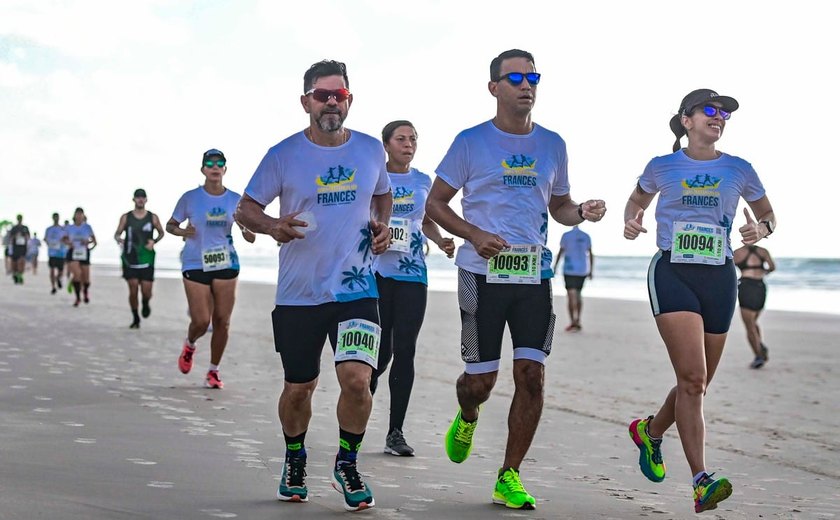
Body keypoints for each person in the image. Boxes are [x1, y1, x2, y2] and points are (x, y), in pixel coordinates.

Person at [425, 49, 607, 510]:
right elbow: (435, 203)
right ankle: (467, 414)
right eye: (516, 78)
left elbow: (560, 207)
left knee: (532, 376)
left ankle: (509, 475)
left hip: (533, 276)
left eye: (533, 77)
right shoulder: (471, 142)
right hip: (481, 274)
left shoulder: (553, 144)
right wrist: (473, 233)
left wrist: (580, 212)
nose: (527, 85)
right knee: (480, 383)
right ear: (494, 88)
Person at [235, 59, 392, 511]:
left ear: (349, 101)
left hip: (357, 287)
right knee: (299, 388)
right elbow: (246, 207)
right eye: (322, 95)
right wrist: (271, 226)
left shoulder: (368, 150)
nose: (331, 103)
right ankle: (294, 458)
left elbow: (382, 193)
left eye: (338, 96)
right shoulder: (283, 154)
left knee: (359, 380)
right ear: (306, 101)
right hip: (299, 293)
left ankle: (347, 463)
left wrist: (381, 222)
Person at [623, 89, 776, 513]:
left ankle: (650, 432)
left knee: (699, 382)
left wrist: (760, 232)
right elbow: (637, 200)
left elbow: (768, 215)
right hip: (673, 272)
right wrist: (630, 220)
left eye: (724, 112)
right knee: (692, 378)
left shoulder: (739, 169)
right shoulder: (662, 166)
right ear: (686, 120)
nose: (719, 116)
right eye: (710, 110)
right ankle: (700, 479)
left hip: (720, 277)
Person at [369, 120, 455, 457]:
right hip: (376, 274)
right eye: (401, 139)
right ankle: (357, 419)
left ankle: (395, 433)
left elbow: (427, 220)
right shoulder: (376, 178)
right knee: (378, 354)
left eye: (413, 139)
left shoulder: (423, 180)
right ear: (386, 145)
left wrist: (442, 239)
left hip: (413, 276)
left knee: (405, 351)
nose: (408, 144)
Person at [166, 149, 255, 389]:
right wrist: (184, 232)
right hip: (195, 262)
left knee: (222, 321)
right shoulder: (190, 198)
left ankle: (213, 371)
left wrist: (247, 230)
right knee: (201, 321)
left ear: (225, 169)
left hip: (225, 262)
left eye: (219, 163)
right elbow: (170, 225)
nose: (215, 167)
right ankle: (190, 344)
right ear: (203, 169)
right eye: (210, 163)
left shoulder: (235, 199)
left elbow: (250, 235)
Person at [115, 188, 165, 328]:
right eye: (138, 197)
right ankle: (135, 317)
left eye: (142, 197)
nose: (140, 199)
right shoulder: (126, 217)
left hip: (147, 258)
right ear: (134, 199)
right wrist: (120, 240)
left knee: (146, 291)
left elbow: (161, 233)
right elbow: (117, 233)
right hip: (130, 258)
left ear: (146, 199)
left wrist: (154, 241)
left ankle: (145, 303)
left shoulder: (152, 217)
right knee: (133, 289)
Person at [733, 243, 775, 368]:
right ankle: (759, 346)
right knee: (753, 322)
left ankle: (758, 355)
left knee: (750, 325)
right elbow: (772, 267)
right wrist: (762, 272)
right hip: (760, 286)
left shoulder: (737, 253)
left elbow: (727, 269)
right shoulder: (763, 251)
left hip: (746, 286)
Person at [552, 225, 593, 332]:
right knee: (578, 295)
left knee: (571, 295)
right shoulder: (586, 236)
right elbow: (590, 254)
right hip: (582, 269)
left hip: (569, 269)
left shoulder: (566, 235)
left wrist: (555, 267)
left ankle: (572, 321)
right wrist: (590, 270)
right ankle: (577, 320)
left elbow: (561, 251)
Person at [64, 207, 97, 306]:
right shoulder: (69, 227)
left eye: (80, 214)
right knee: (77, 274)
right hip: (73, 252)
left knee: (86, 279)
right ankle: (78, 298)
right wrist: (68, 243)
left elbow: (94, 241)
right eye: (77, 214)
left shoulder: (87, 227)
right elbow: (63, 239)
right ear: (74, 216)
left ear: (83, 216)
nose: (79, 216)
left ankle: (85, 291)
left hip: (84, 252)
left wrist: (88, 243)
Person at [45, 213, 67, 294]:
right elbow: (45, 239)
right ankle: (53, 287)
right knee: (52, 270)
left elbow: (66, 239)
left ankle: (58, 278)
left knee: (61, 271)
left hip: (61, 253)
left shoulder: (63, 229)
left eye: (57, 217)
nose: (56, 219)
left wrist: (63, 241)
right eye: (54, 217)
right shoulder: (49, 229)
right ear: (52, 218)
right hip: (52, 253)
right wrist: (49, 243)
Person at [9, 214, 30, 284]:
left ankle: (20, 275)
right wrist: (16, 235)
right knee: (14, 263)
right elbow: (11, 238)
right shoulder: (14, 228)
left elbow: (28, 237)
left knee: (21, 261)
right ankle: (15, 274)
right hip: (15, 247)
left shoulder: (25, 228)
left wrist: (25, 236)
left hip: (23, 247)